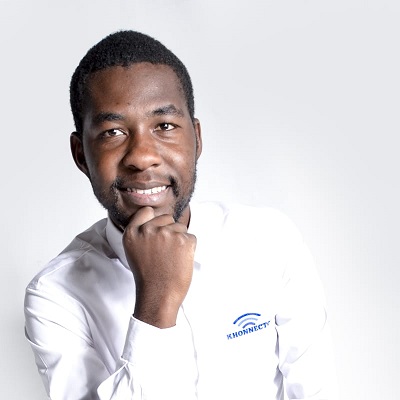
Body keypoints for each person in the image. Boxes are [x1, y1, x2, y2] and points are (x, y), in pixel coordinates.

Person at [24, 30, 336, 400]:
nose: (142, 156)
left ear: (197, 139)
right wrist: (156, 301)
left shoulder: (270, 240)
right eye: (113, 132)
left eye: (165, 126)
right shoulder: (55, 295)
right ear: (81, 155)